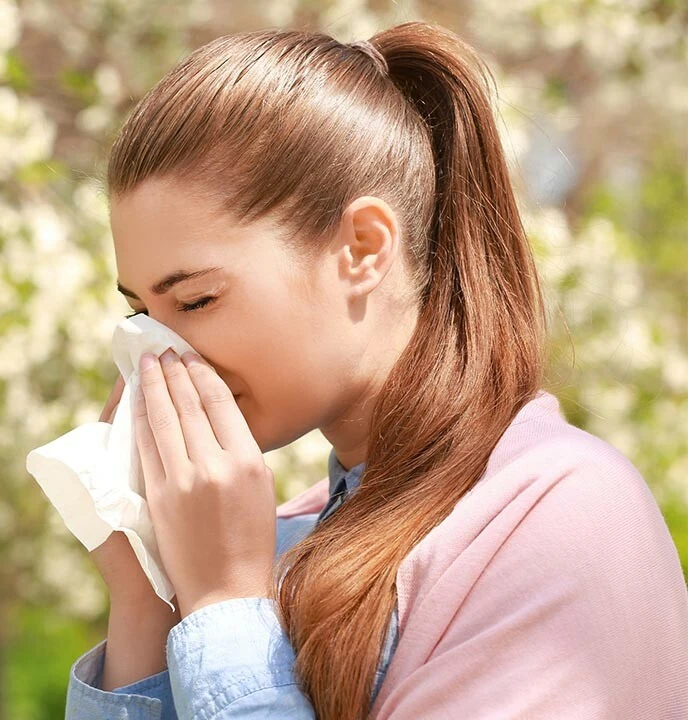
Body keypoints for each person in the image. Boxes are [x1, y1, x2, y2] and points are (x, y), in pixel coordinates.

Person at [61, 20, 688, 720]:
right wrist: (148, 597)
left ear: (362, 248)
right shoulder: (277, 540)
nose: (159, 354)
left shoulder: (556, 517)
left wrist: (223, 607)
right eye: (141, 313)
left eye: (196, 299)